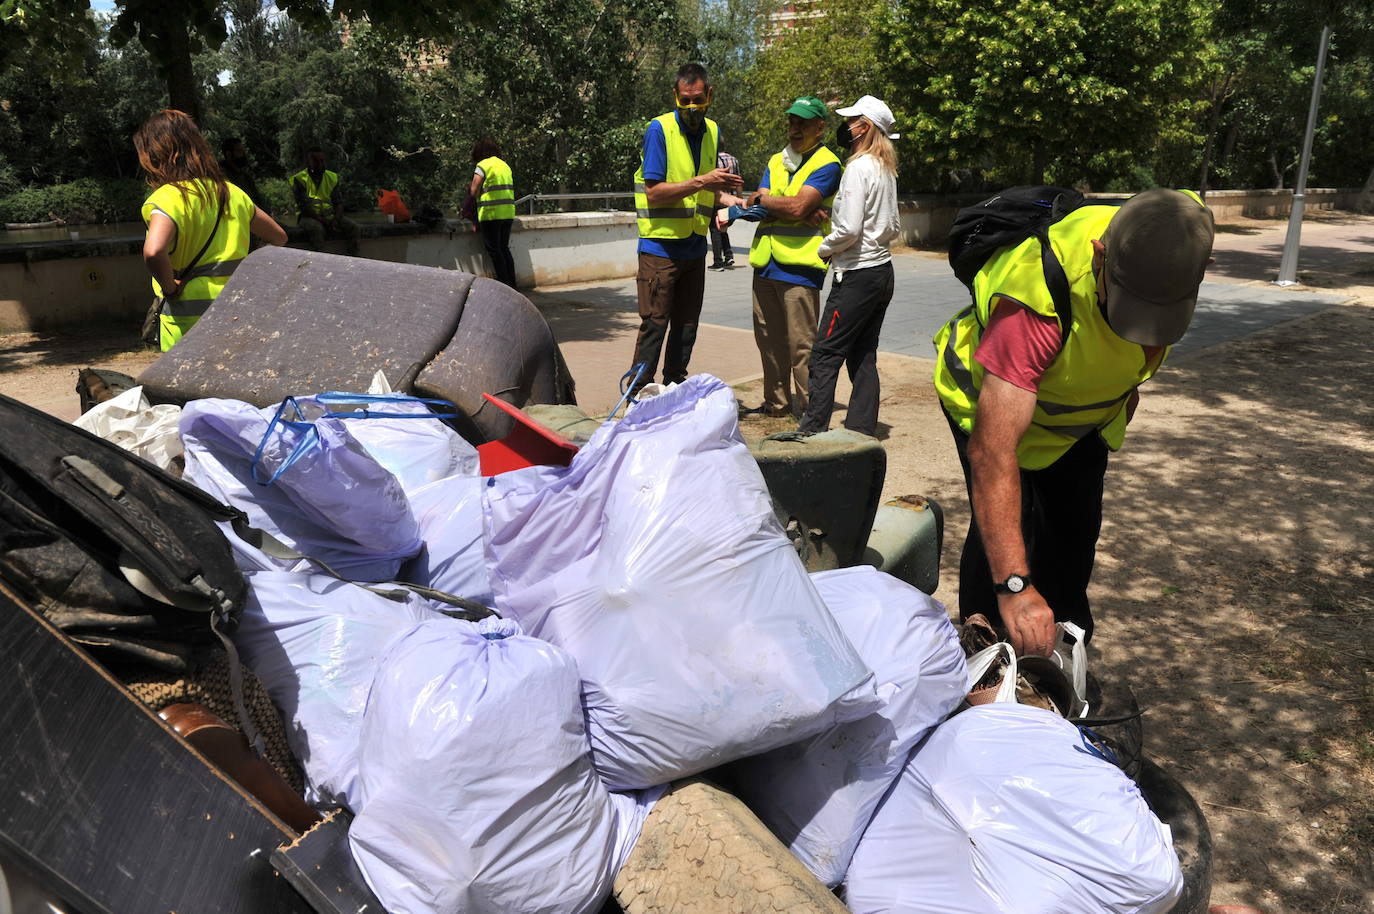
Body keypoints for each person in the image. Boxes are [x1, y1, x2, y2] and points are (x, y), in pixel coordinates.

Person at [932, 186, 1215, 657]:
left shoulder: (1181, 226)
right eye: (1132, 304)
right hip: (989, 412)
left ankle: (1064, 658)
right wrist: (1015, 586)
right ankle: (987, 661)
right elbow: (993, 451)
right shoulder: (1035, 298)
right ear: (1100, 256)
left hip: (1078, 421)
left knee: (1073, 534)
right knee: (1006, 536)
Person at [628, 62, 744, 392]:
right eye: (684, 100)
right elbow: (654, 193)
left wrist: (733, 203)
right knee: (655, 325)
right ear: (675, 96)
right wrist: (703, 181)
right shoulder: (659, 130)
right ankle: (637, 395)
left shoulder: (713, 131)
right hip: (660, 248)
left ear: (710, 95)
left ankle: (674, 390)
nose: (691, 107)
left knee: (687, 326)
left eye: (697, 100)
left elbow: (707, 189)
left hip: (694, 247)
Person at [791, 95, 901, 438]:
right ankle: (861, 429)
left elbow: (849, 230)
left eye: (851, 120)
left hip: (856, 276)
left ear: (864, 127)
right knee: (863, 353)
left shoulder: (857, 168)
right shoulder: (886, 169)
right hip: (881, 272)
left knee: (825, 353)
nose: (846, 126)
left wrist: (826, 248)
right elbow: (894, 226)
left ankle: (812, 430)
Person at [135, 109, 287, 352]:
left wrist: (170, 288)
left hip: (186, 323)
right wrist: (247, 270)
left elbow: (154, 251)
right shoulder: (232, 192)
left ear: (153, 154)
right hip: (237, 312)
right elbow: (279, 237)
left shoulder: (167, 199)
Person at [742, 95, 842, 419]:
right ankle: (776, 406)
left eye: (802, 122)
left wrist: (777, 202)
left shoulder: (827, 163)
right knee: (768, 342)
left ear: (820, 126)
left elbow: (795, 205)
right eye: (791, 122)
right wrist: (787, 206)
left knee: (803, 346)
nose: (794, 128)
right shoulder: (777, 160)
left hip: (801, 268)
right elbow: (758, 205)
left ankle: (811, 413)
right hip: (766, 263)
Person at [465, 138, 517, 287]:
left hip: (491, 213)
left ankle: (504, 284)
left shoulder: (482, 165)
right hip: (507, 212)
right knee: (504, 248)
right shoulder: (504, 165)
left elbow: (473, 191)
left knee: (494, 250)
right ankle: (512, 284)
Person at [292, 147, 361, 256]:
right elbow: (304, 207)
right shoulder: (300, 179)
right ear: (308, 162)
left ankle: (354, 258)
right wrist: (322, 221)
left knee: (354, 227)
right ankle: (319, 261)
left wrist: (336, 220)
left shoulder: (332, 177)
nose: (320, 164)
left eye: (322, 161)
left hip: (330, 217)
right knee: (317, 229)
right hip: (308, 218)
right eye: (315, 161)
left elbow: (338, 202)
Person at [709, 144, 741, 270]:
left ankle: (718, 262)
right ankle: (728, 255)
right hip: (731, 200)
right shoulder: (734, 160)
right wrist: (739, 198)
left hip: (718, 200)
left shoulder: (713, 160)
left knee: (715, 229)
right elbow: (738, 181)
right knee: (723, 228)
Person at [219, 138, 267, 210]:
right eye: (239, 151)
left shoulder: (246, 178)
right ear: (228, 154)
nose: (243, 154)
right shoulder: (219, 176)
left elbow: (258, 203)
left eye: (243, 151)